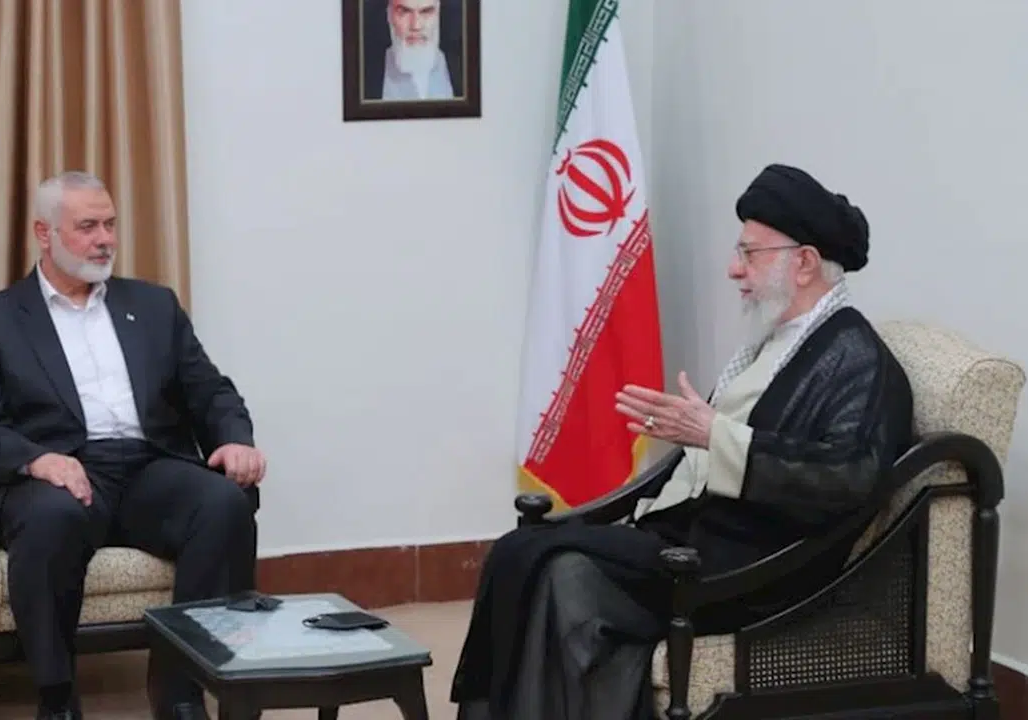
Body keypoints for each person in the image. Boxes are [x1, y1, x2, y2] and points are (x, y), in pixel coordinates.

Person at [449, 164, 916, 720]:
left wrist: (714, 435)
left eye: (749, 253)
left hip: (754, 569)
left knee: (561, 572)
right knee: (518, 553)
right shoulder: (780, 339)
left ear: (805, 263)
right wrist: (698, 437)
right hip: (696, 538)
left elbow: (850, 478)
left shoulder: (859, 360)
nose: (734, 269)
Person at [0, 171, 266, 720]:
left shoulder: (154, 305)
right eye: (88, 226)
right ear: (44, 234)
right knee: (50, 518)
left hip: (146, 468)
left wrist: (235, 440)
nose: (104, 240)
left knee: (222, 503)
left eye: (110, 225)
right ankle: (57, 700)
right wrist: (38, 460)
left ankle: (179, 692)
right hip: (56, 472)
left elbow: (211, 391)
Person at [364, 0, 460, 101]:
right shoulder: (364, 75)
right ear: (389, 15)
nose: (416, 26)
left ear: (438, 13)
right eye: (404, 12)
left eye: (426, 11)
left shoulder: (462, 70)